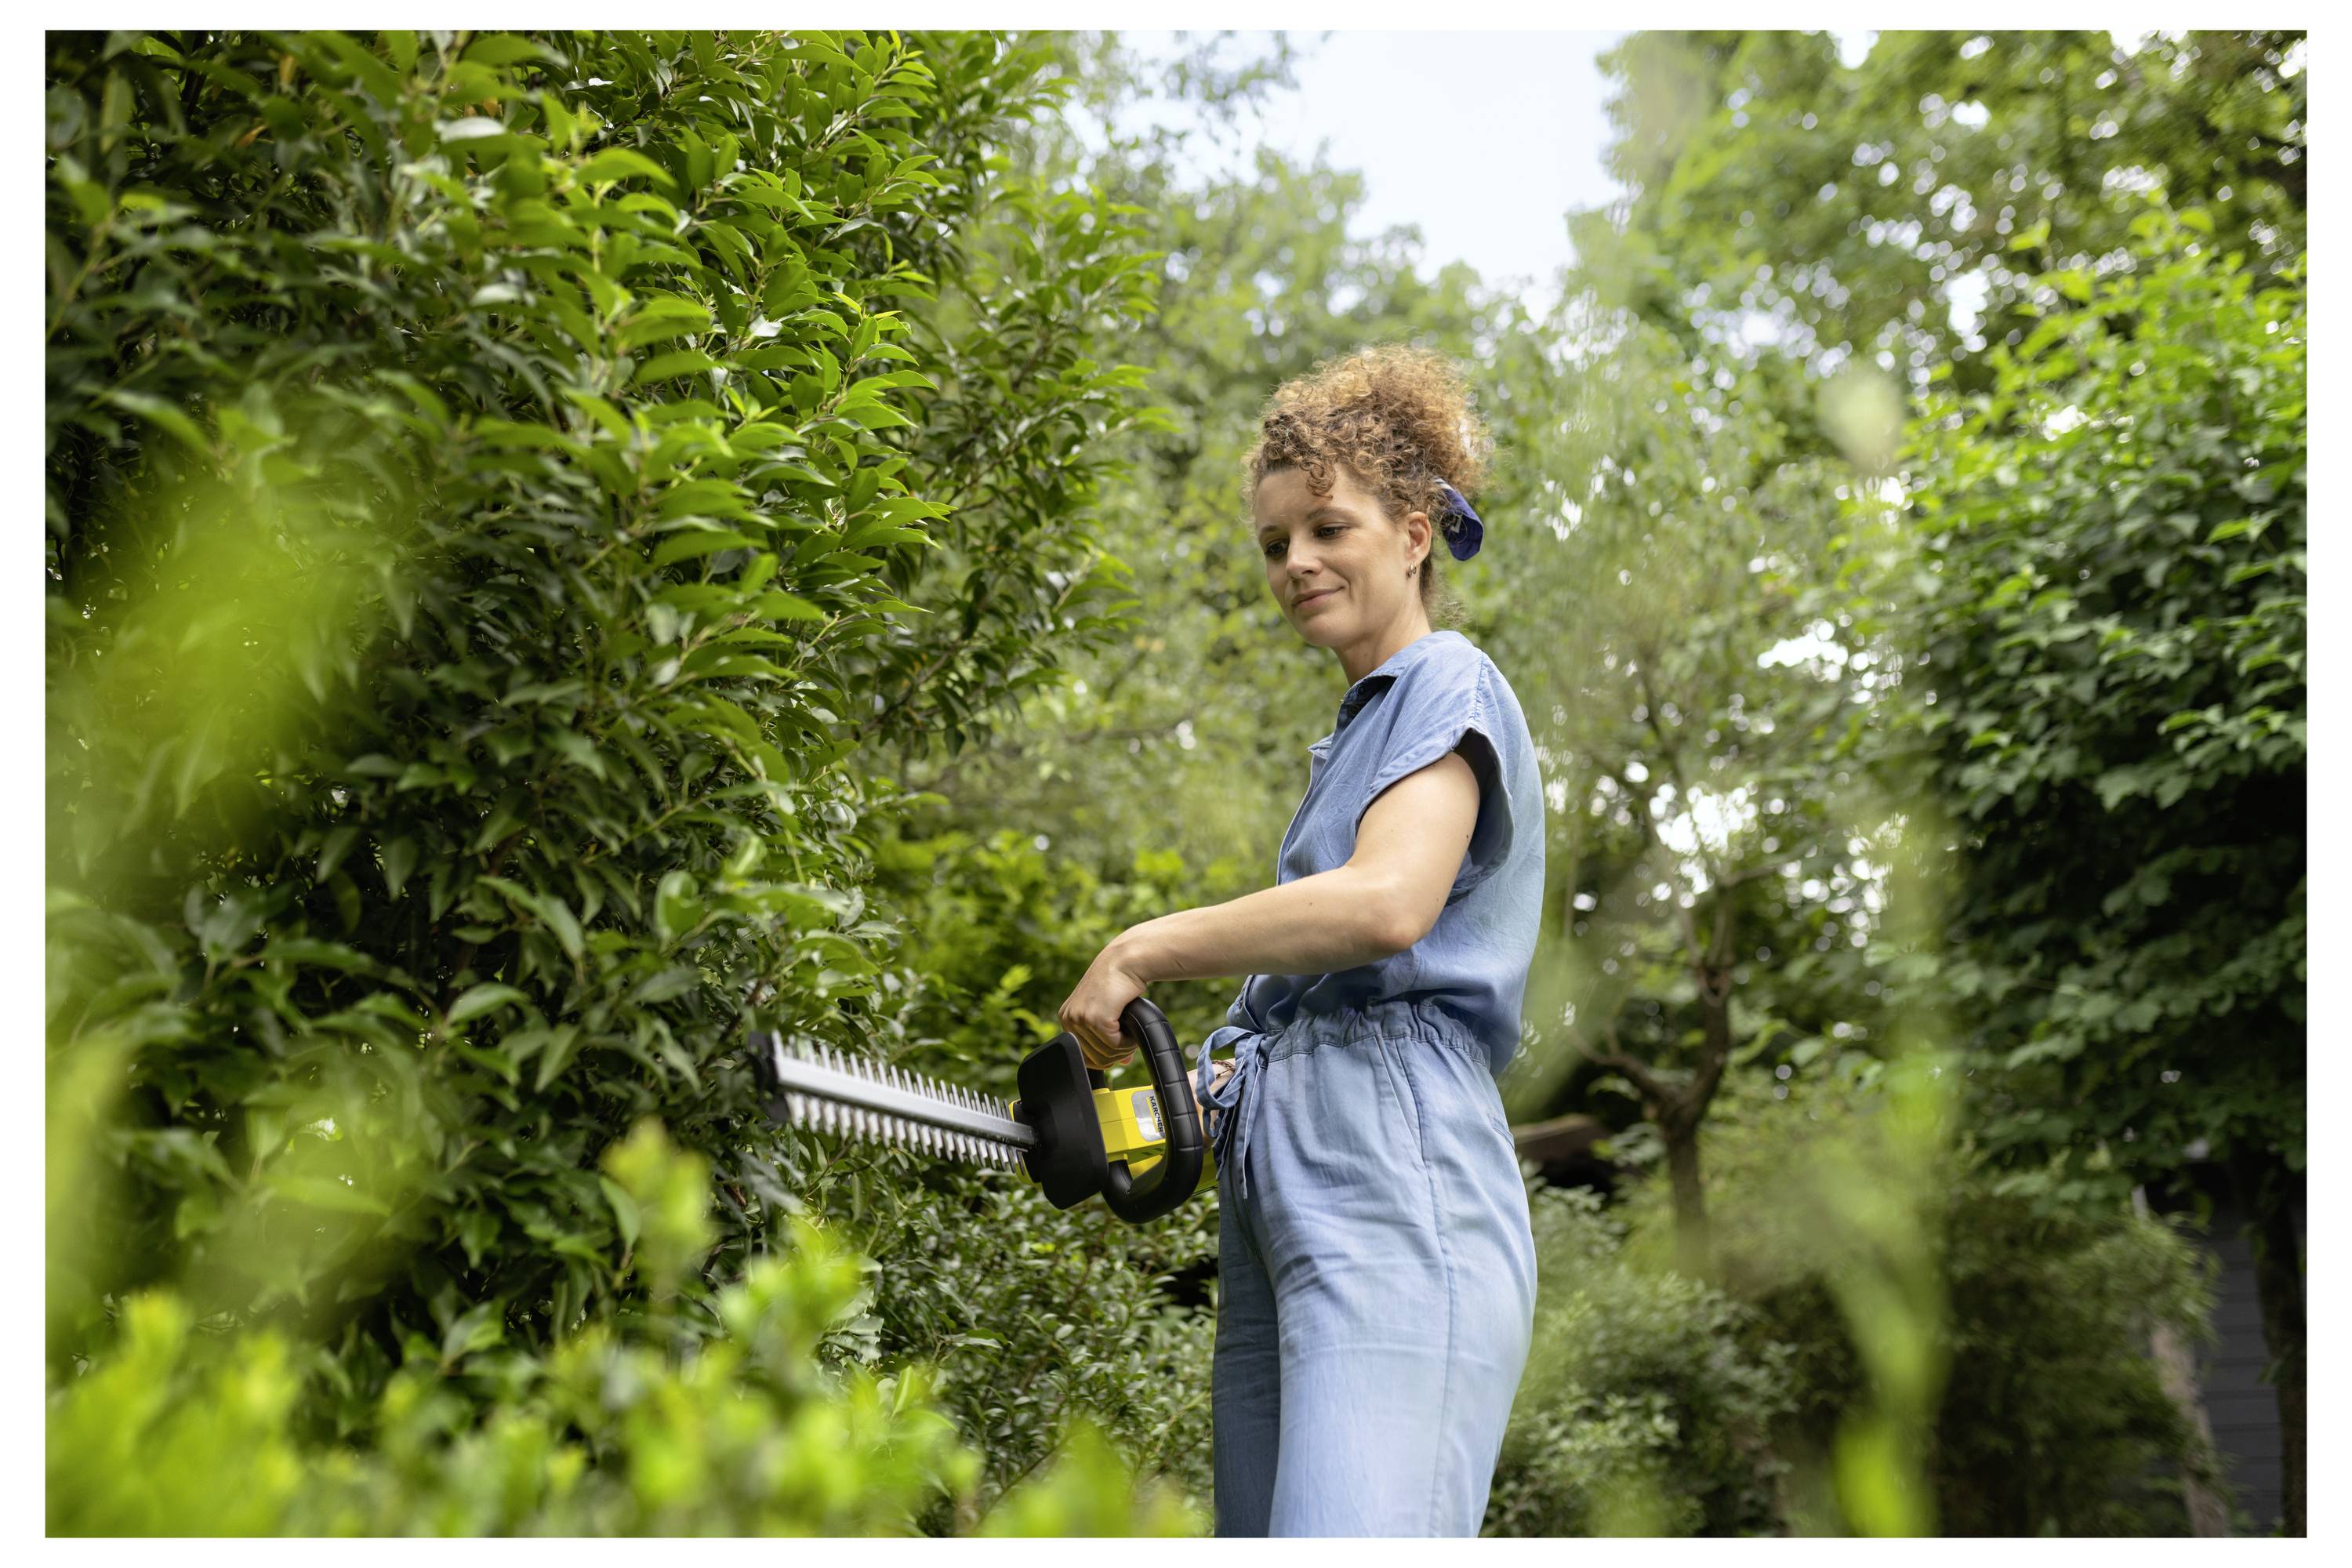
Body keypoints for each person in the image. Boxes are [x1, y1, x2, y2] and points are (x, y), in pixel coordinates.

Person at [1054, 345, 1544, 1536]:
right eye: (1277, 543)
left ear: (1417, 532)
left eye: (1329, 527)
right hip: (1293, 1195)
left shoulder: (1447, 681)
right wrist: (1179, 1098)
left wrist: (1144, 947)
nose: (1298, 563)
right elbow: (1288, 1016)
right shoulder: (1355, 739)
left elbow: (1387, 907)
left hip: (1397, 1175)